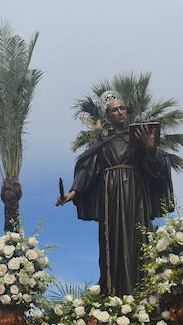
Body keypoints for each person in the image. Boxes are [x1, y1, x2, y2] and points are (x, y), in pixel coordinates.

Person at [58, 90, 175, 295]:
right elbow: (87, 170)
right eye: (114, 110)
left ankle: (143, 293)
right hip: (110, 197)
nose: (120, 112)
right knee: (112, 243)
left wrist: (150, 149)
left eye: (123, 108)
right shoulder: (102, 145)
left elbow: (157, 169)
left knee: (140, 240)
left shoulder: (139, 139)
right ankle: (113, 293)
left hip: (137, 196)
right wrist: (72, 193)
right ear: (108, 116)